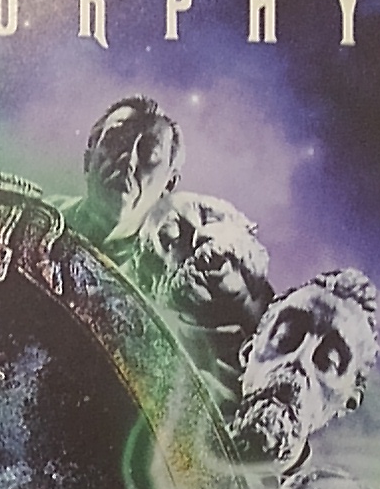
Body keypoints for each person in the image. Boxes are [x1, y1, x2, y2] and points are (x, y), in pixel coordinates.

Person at [231, 269, 379, 476]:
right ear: (248, 351)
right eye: (285, 337)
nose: (299, 362)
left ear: (348, 402)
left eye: (329, 361)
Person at [134, 191, 274, 408]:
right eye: (173, 236)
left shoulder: (315, 312)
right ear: (154, 284)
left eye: (209, 217)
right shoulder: (176, 383)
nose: (200, 234)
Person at [67, 96, 184, 260]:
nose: (128, 162)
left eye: (150, 152)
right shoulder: (36, 213)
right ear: (88, 161)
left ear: (169, 185)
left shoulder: (159, 273)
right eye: (116, 142)